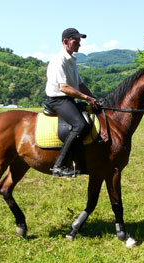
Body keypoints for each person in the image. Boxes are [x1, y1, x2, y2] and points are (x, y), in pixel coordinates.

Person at [45, 28, 99, 177]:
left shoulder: (72, 60)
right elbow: (64, 88)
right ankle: (59, 165)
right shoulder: (59, 60)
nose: (79, 45)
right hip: (59, 99)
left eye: (79, 42)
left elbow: (80, 85)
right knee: (79, 125)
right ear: (65, 42)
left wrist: (94, 99)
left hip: (69, 98)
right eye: (76, 42)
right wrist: (87, 98)